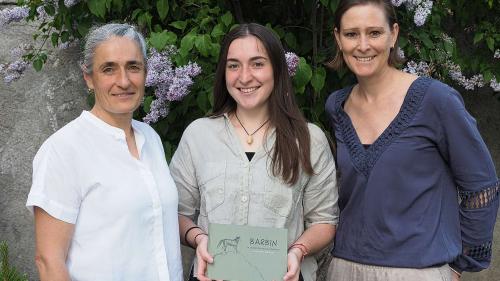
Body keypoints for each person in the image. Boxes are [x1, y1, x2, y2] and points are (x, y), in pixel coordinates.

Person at [324, 0, 499, 280]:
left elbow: (482, 187)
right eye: (351, 34)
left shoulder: (436, 101)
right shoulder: (337, 106)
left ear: (393, 34)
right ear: (338, 38)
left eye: (374, 33)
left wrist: (457, 266)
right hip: (345, 267)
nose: (363, 45)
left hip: (417, 270)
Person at [169, 23, 339, 281]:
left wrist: (297, 251)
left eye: (258, 63)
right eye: (234, 65)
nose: (245, 76)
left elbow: (324, 221)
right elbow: (176, 213)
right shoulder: (198, 135)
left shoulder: (309, 139)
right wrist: (200, 238)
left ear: (277, 71)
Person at [26, 23, 183, 281]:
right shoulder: (63, 150)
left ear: (145, 72)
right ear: (89, 78)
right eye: (108, 69)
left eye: (133, 67)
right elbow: (48, 261)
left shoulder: (150, 138)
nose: (123, 81)